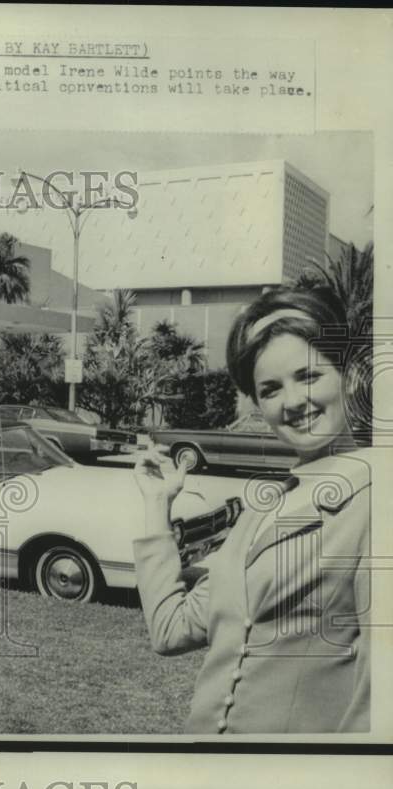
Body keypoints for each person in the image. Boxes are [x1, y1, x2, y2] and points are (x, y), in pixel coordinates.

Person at [132, 288, 372, 733]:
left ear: (351, 375)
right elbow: (171, 629)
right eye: (271, 389)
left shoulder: (376, 500)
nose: (293, 402)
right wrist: (157, 503)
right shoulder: (260, 513)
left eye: (309, 376)